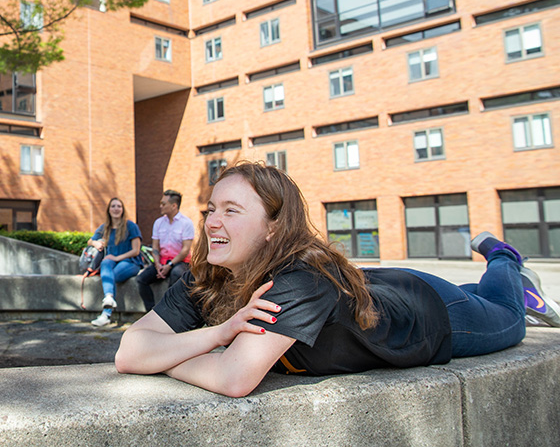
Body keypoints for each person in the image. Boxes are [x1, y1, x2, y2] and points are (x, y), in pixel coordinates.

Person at [115, 161, 559, 398]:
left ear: (273, 226)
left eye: (232, 210)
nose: (212, 221)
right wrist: (220, 331)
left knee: (507, 315)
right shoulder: (207, 278)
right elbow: (129, 351)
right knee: (480, 297)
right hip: (374, 290)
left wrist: (164, 357)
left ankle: (505, 261)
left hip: (431, 312)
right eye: (212, 209)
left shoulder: (298, 279)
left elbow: (234, 378)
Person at [86, 197, 145, 327]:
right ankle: (108, 298)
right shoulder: (105, 227)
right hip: (112, 262)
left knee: (113, 275)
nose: (116, 209)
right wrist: (96, 243)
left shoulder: (131, 226)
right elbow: (90, 241)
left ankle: (106, 314)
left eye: (119, 206)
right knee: (105, 263)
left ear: (123, 210)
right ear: (109, 210)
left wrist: (117, 258)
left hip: (130, 262)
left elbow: (136, 250)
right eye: (113, 206)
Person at [136, 189, 194, 311]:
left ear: (174, 206)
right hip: (161, 262)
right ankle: (150, 312)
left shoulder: (186, 223)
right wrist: (157, 264)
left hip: (180, 262)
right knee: (141, 279)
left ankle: (169, 311)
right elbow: (155, 246)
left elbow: (185, 250)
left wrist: (169, 265)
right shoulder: (158, 223)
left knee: (176, 274)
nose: (160, 206)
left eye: (163, 204)